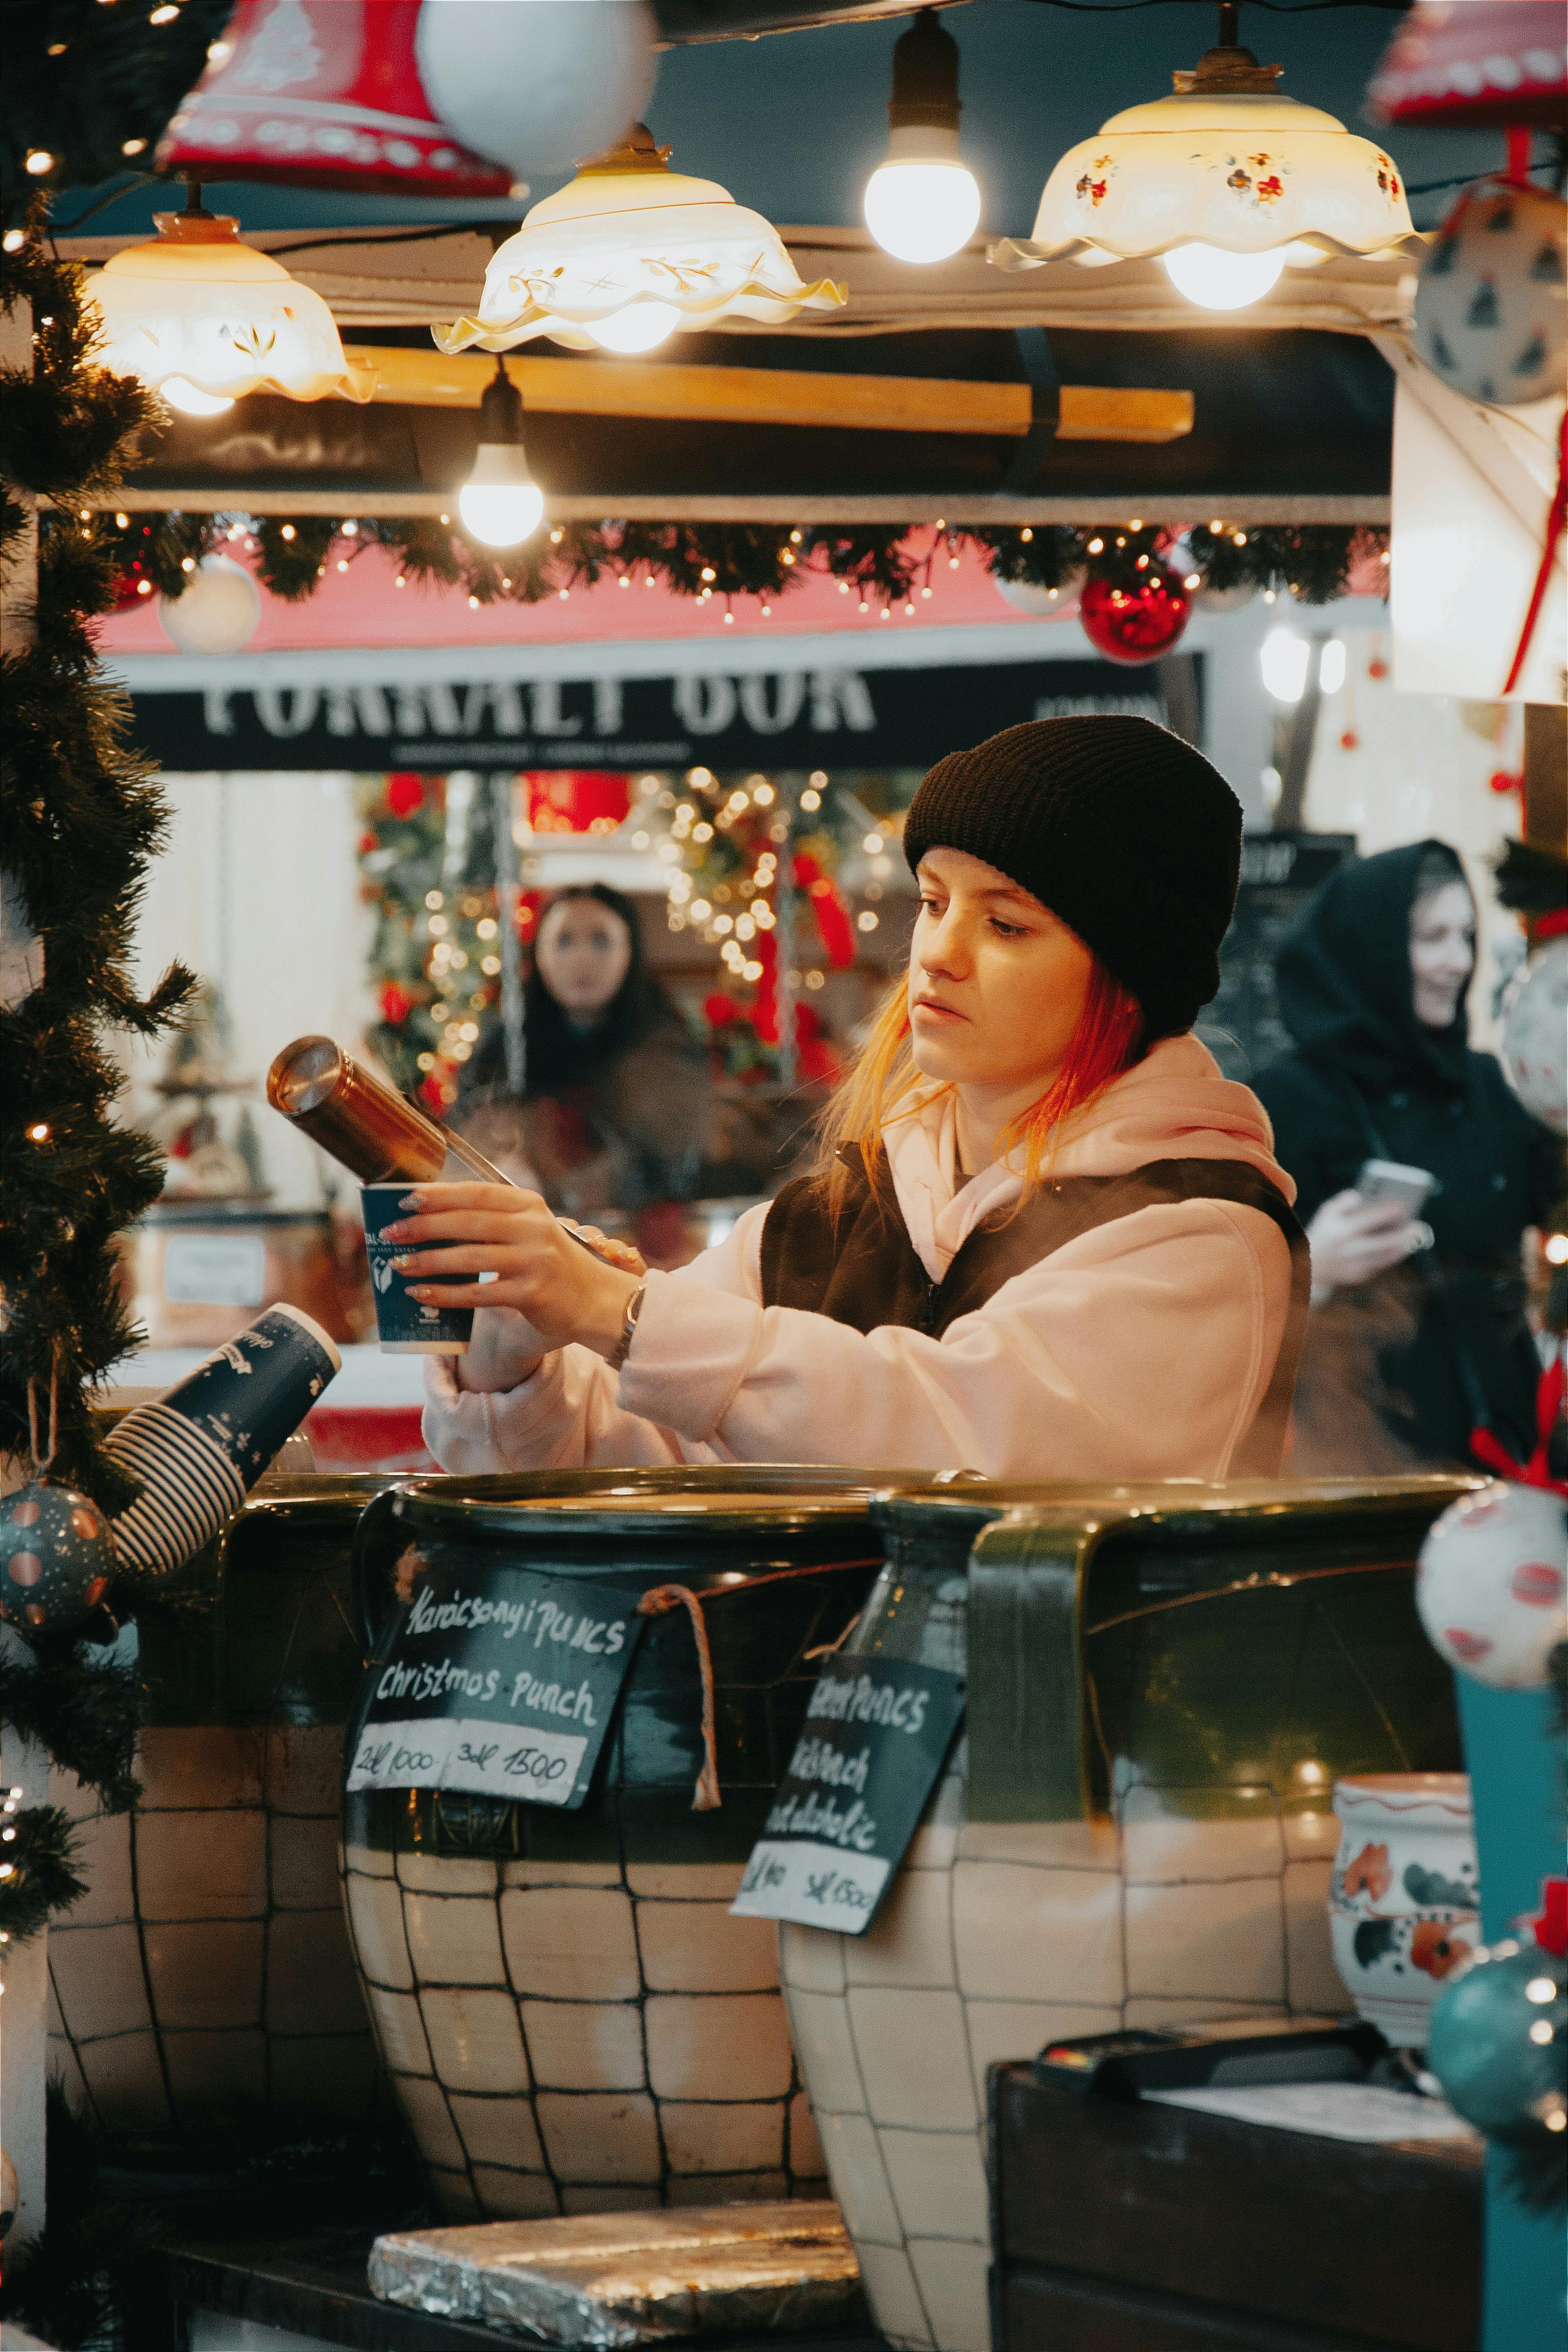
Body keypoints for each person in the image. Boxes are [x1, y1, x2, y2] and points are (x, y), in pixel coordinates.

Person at [389, 719, 1309, 1482]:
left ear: (1131, 976)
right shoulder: (829, 1218)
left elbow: (971, 1441)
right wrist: (510, 1368)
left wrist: (617, 1311)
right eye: (934, 902)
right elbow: (626, 1453)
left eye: (1005, 923)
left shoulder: (1202, 1229)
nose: (938, 953)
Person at [1252, 839, 1562, 1474]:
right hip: (1350, 1443)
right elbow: (1208, 1298)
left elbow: (1555, 1203)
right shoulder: (1286, 1100)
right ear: (1373, 948)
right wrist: (1312, 1269)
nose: (1459, 961)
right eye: (1432, 937)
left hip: (1504, 1438)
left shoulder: (1491, 1086)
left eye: (1467, 936)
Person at [457, 883, 772, 1216]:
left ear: (629, 951)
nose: (582, 959)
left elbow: (680, 1167)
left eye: (600, 941)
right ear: (539, 952)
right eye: (564, 941)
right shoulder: (501, 1048)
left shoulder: (670, 1049)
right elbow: (467, 1142)